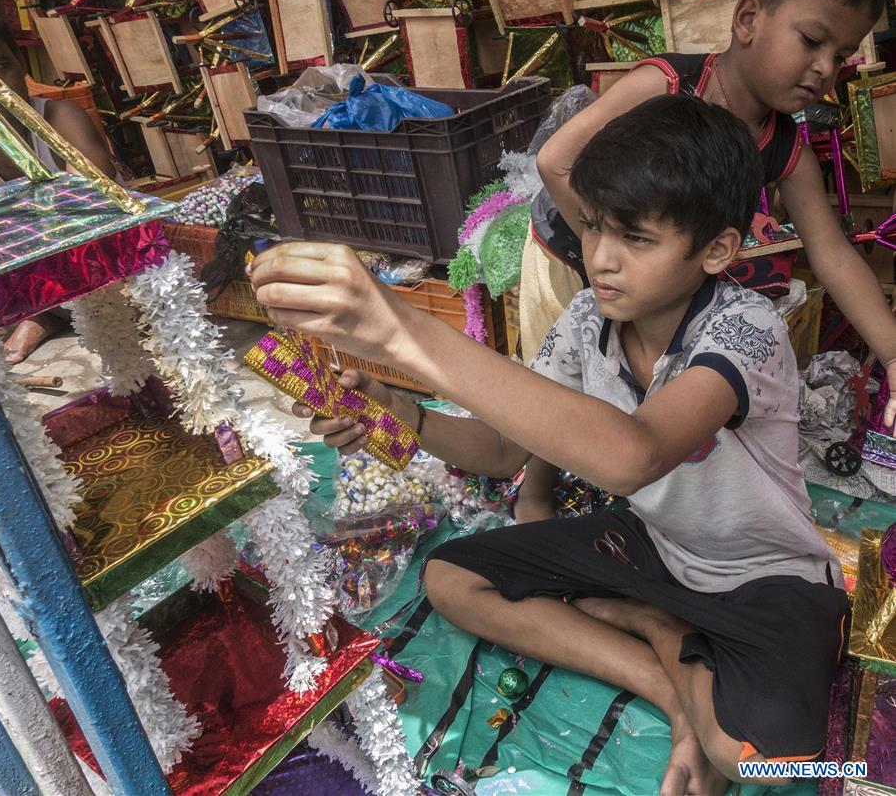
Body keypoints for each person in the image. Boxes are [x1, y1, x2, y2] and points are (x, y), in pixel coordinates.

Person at [249, 95, 849, 795]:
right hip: (652, 546)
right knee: (452, 578)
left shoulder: (745, 328)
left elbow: (636, 453)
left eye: (636, 238)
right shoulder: (589, 316)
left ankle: (658, 631)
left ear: (717, 248)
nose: (602, 258)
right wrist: (399, 410)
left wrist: (403, 332)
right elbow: (506, 451)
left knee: (755, 758)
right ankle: (665, 662)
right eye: (592, 227)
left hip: (763, 576)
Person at [530, 0, 896, 437]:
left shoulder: (786, 150)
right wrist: (617, 246)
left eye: (841, 56)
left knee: (627, 416)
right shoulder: (664, 85)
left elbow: (834, 255)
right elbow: (556, 162)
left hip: (652, 280)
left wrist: (892, 353)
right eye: (811, 41)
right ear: (747, 19)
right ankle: (535, 497)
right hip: (566, 254)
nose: (826, 68)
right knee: (558, 406)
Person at [0, 19, 117, 364]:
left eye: (3, 66)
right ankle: (39, 313)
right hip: (29, 266)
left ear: (22, 66)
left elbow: (94, 204)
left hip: (89, 256)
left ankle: (41, 314)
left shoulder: (62, 117)